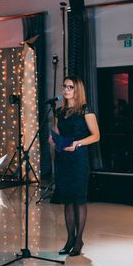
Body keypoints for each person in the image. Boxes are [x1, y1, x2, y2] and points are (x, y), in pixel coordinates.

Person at [49, 76, 100, 256]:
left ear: (77, 90)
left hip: (78, 158)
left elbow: (96, 136)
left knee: (79, 199)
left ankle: (79, 240)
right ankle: (70, 238)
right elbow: (57, 132)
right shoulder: (59, 111)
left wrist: (78, 143)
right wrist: (53, 139)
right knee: (67, 200)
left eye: (70, 87)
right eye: (64, 86)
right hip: (63, 159)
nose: (66, 90)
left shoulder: (86, 110)